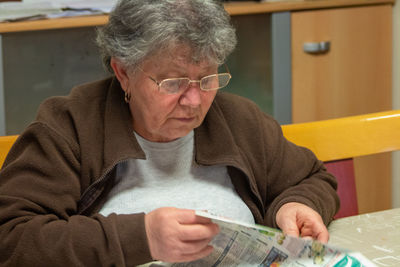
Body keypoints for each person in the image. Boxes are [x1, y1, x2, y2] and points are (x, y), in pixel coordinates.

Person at [0, 0, 339, 266]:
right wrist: (141, 238)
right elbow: (11, 237)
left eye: (207, 79)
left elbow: (311, 178)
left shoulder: (238, 119)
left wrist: (296, 205)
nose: (194, 101)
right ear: (123, 72)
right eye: (173, 82)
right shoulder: (68, 126)